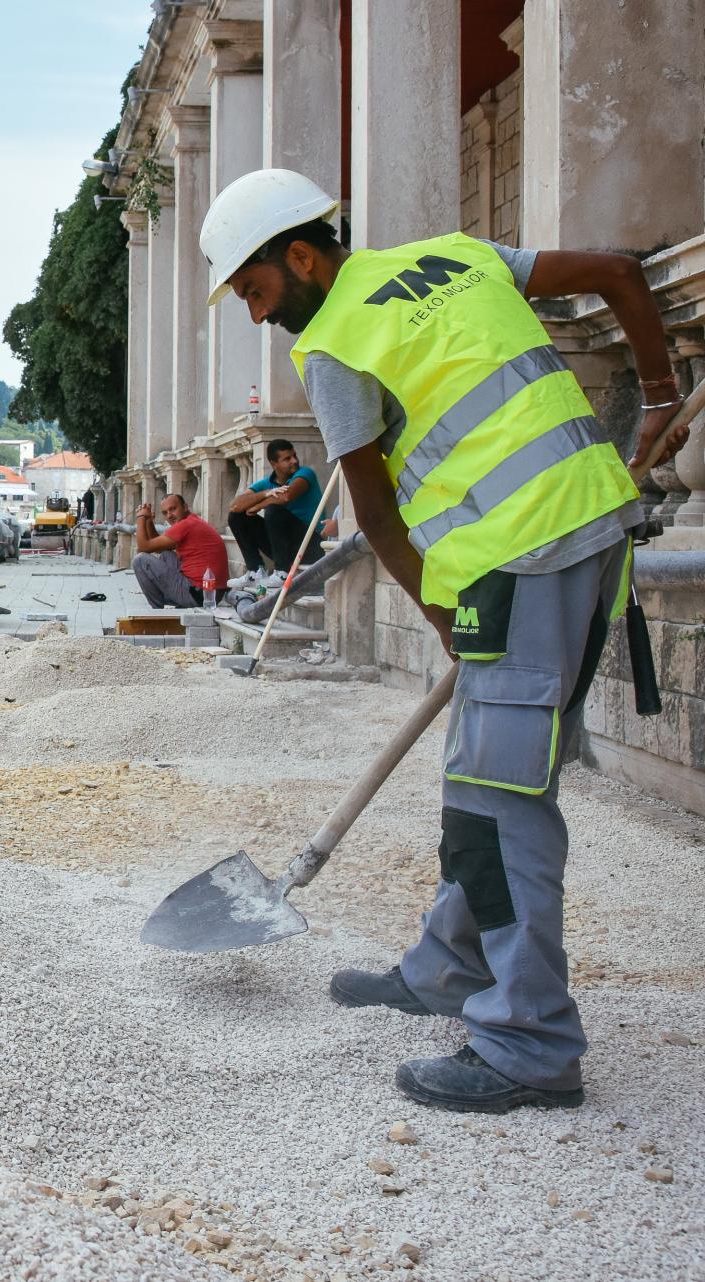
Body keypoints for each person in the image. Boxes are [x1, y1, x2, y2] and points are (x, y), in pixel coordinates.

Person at [203, 167, 690, 1113]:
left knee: (499, 805)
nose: (262, 316)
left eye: (258, 293)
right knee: (486, 776)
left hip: (517, 561)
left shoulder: (337, 344)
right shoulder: (456, 257)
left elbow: (379, 515)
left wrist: (443, 618)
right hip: (591, 535)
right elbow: (622, 275)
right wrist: (662, 392)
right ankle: (447, 967)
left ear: (302, 257)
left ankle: (529, 1040)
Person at [227, 438, 324, 580]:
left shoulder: (305, 473)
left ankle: (282, 573)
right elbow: (235, 505)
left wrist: (259, 505)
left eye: (294, 456)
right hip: (282, 547)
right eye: (287, 459)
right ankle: (255, 571)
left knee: (273, 510)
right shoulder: (266, 483)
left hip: (310, 545)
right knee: (236, 516)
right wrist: (266, 493)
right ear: (274, 464)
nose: (294, 461)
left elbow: (286, 496)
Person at [130, 492, 229, 609]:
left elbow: (143, 547)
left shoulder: (186, 525)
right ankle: (170, 598)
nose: (169, 515)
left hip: (201, 595)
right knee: (167, 554)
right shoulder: (192, 521)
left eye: (173, 509)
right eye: (165, 513)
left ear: (185, 507)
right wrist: (149, 521)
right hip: (210, 593)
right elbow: (159, 546)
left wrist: (140, 517)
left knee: (140, 560)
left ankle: (157, 608)